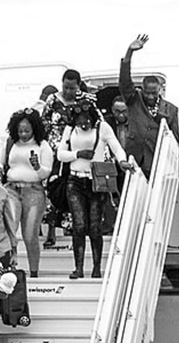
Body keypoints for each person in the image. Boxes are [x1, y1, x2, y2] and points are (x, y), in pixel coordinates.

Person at [57, 102, 133, 279]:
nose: (84, 124)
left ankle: (97, 267)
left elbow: (116, 147)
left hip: (95, 182)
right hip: (75, 180)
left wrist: (122, 161)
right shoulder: (70, 130)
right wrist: (77, 154)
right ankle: (79, 268)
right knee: (79, 225)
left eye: (88, 120)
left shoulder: (103, 128)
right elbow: (60, 154)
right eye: (81, 121)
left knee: (94, 226)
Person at [39, 69, 97, 248]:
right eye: (65, 87)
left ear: (78, 86)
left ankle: (74, 232)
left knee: (74, 193)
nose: (68, 91)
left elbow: (98, 123)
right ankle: (50, 231)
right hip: (54, 152)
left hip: (76, 153)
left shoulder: (86, 101)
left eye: (72, 88)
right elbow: (43, 123)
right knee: (53, 189)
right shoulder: (52, 100)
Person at [119, 34, 179, 178]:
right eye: (147, 93)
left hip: (154, 162)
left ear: (160, 90)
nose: (150, 96)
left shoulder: (171, 110)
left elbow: (175, 141)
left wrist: (175, 170)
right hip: (132, 159)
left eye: (154, 93)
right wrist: (130, 52)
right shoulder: (134, 99)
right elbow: (124, 82)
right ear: (142, 89)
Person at [3, 109, 52, 277]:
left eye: (27, 131)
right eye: (20, 130)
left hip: (34, 190)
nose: (23, 134)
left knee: (30, 234)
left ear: (35, 129)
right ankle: (9, 266)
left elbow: (46, 173)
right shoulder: (11, 143)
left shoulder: (43, 146)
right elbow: (1, 161)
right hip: (12, 189)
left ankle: (34, 272)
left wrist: (37, 166)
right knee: (10, 228)